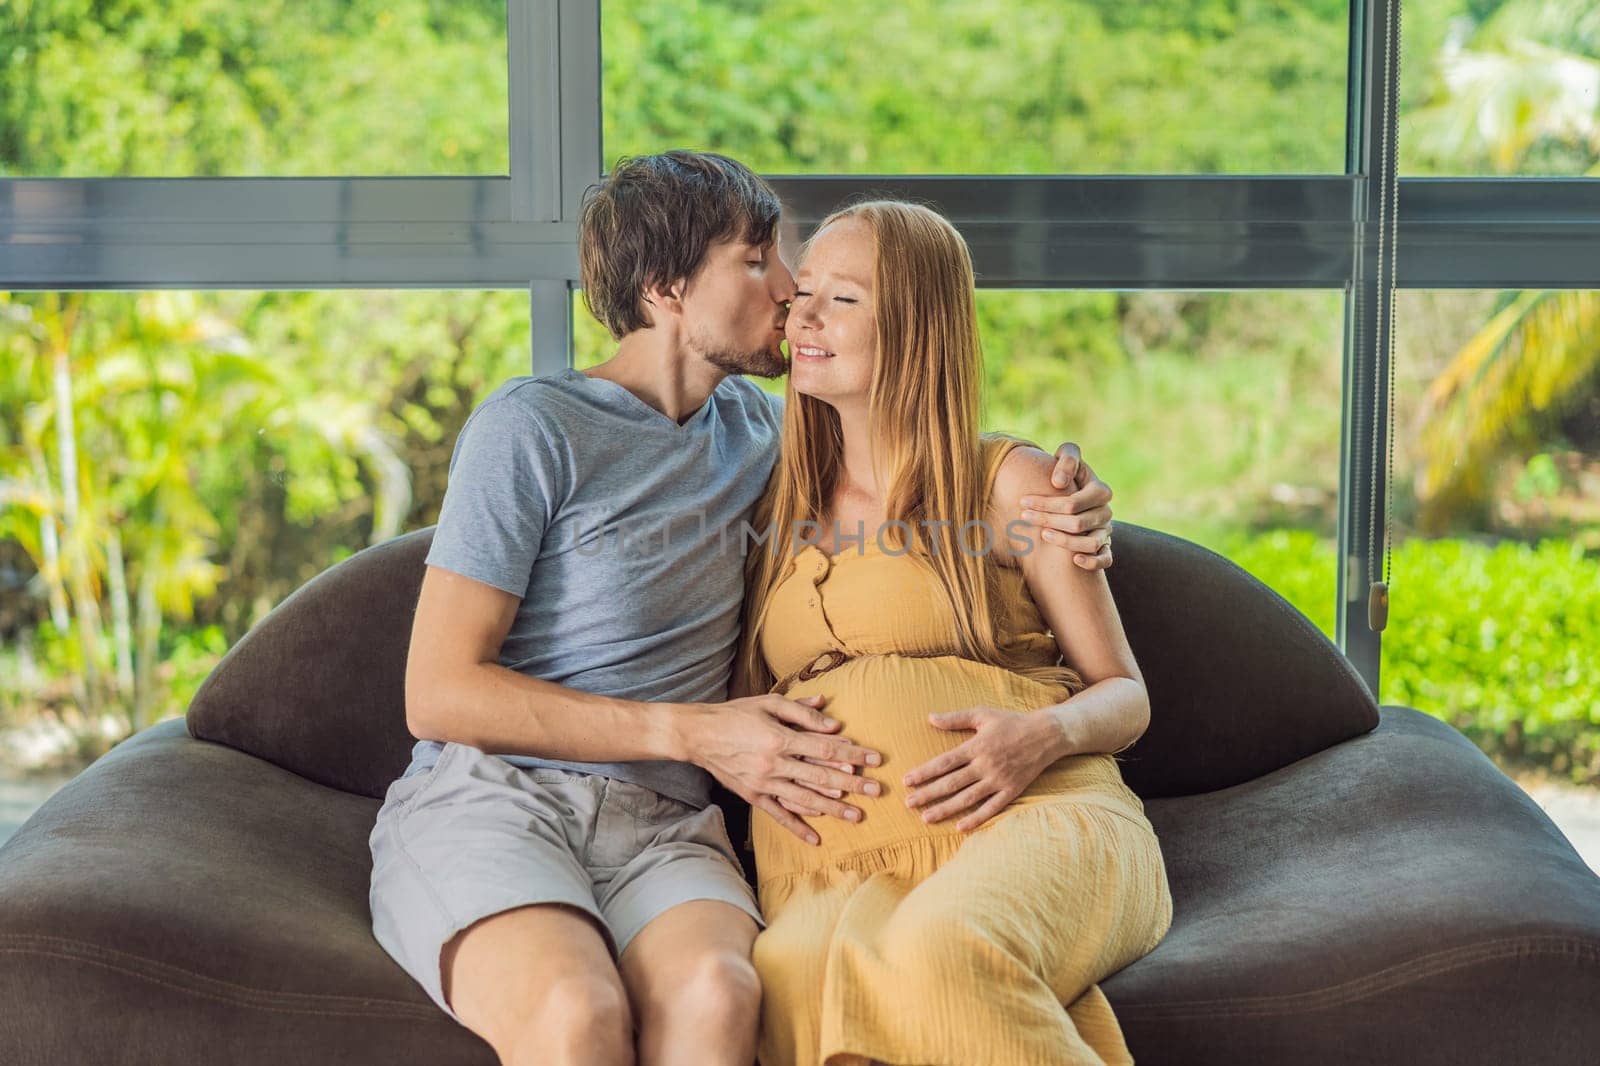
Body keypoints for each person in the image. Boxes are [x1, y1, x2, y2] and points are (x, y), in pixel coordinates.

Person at [367, 151, 1120, 1066]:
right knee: (578, 1012)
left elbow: (914, 450)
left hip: (660, 825)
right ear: (666, 288)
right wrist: (695, 734)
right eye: (757, 259)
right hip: (500, 796)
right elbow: (438, 693)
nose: (791, 287)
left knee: (726, 996)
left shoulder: (768, 440)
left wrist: (1067, 491)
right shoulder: (534, 428)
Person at [737, 200, 1171, 1066]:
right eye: (805, 292)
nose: (803, 316)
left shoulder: (1010, 484)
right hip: (831, 872)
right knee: (790, 979)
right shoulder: (768, 498)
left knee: (945, 948)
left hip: (1032, 820)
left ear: (914, 326)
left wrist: (1040, 737)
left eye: (843, 300)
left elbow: (1126, 696)